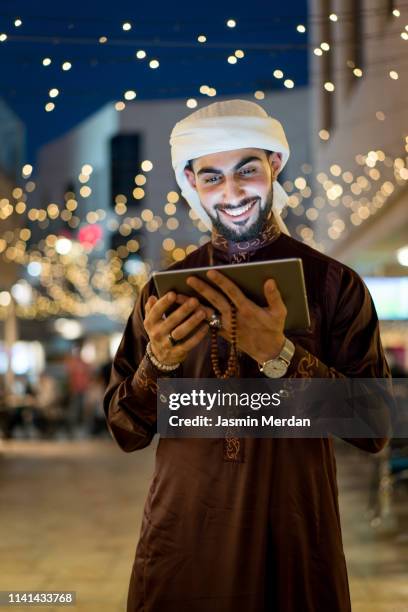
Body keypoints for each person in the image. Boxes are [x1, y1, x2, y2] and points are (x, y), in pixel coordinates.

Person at [103, 99, 391, 612]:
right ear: (190, 183)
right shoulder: (163, 294)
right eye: (212, 177)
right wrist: (158, 365)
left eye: (247, 171)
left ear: (274, 166)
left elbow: (373, 426)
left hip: (294, 541)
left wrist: (280, 354)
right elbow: (125, 429)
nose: (232, 193)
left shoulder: (333, 284)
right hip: (182, 542)